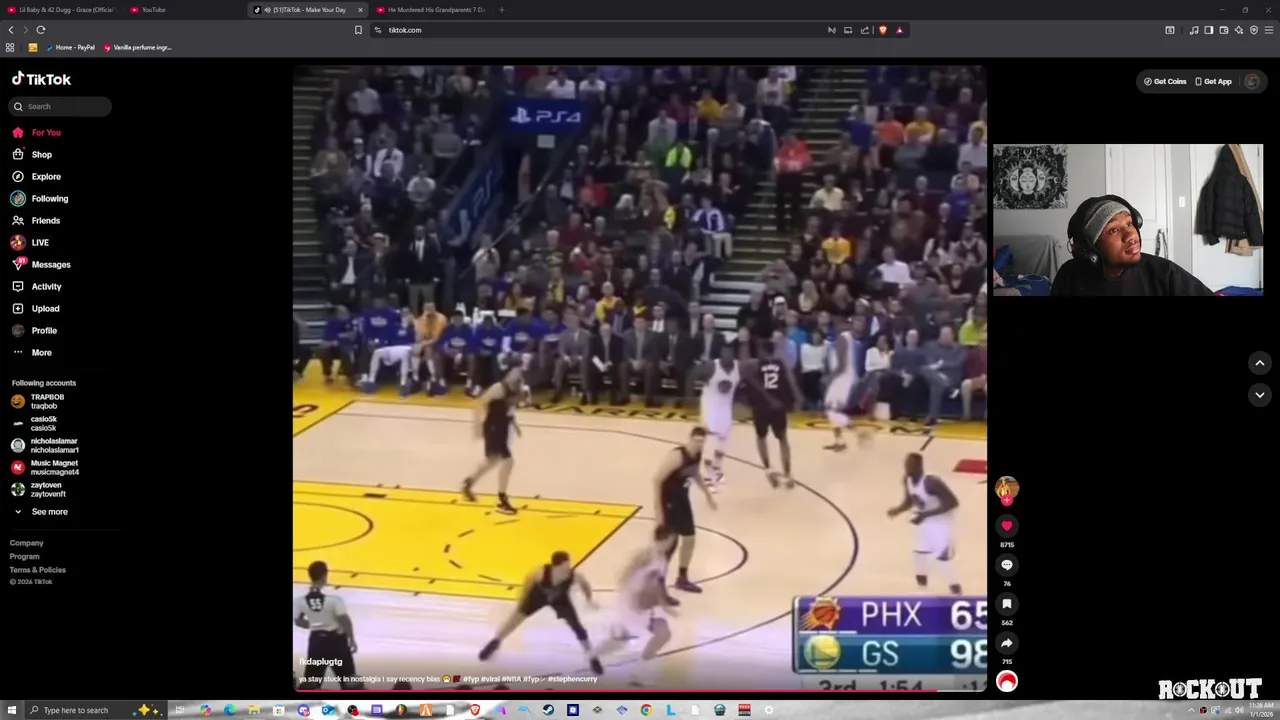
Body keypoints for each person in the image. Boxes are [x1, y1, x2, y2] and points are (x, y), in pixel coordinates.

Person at [1052, 196, 1215, 296]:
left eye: (1130, 224)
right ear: (1091, 247)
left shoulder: (1163, 272)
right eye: (1113, 230)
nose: (1131, 236)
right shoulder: (1069, 276)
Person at [477, 551, 606, 675]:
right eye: (567, 562)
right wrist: (523, 598)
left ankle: (592, 657)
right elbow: (528, 581)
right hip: (538, 596)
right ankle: (494, 642)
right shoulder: (540, 572)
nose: (569, 565)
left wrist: (589, 600)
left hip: (560, 599)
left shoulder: (573, 575)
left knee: (577, 626)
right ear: (561, 564)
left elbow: (585, 585)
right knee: (515, 620)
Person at [594, 526, 681, 686]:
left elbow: (657, 585)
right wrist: (632, 597)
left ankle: (633, 671)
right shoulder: (646, 555)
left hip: (644, 604)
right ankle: (597, 657)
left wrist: (663, 604)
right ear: (665, 539)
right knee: (633, 638)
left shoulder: (661, 558)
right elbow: (624, 575)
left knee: (661, 634)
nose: (673, 544)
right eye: (672, 540)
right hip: (632, 604)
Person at [887, 452, 962, 596]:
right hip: (926, 521)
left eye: (910, 465)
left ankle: (957, 593)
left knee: (943, 560)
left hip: (944, 522)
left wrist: (925, 514)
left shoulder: (932, 482)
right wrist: (897, 510)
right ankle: (922, 591)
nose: (906, 467)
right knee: (919, 555)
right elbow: (909, 501)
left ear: (919, 466)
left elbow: (952, 503)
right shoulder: (907, 480)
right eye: (906, 464)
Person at [653, 427, 716, 598]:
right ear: (690, 438)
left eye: (702, 441)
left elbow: (694, 473)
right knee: (668, 546)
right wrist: (659, 512)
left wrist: (708, 495)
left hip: (682, 500)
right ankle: (658, 584)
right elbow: (657, 480)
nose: (698, 444)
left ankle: (682, 578)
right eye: (696, 440)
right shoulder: (677, 456)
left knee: (689, 539)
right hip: (669, 502)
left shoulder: (697, 454)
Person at [460, 364, 524, 515]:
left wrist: (515, 426)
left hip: (501, 426)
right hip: (493, 427)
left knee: (492, 460)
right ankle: (502, 500)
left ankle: (469, 483)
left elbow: (509, 410)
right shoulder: (498, 388)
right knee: (508, 461)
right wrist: (477, 427)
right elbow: (480, 404)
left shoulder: (516, 389)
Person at [293, 560, 362, 689]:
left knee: (311, 683)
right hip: (337, 642)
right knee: (349, 682)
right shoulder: (334, 599)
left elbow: (298, 621)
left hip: (317, 642)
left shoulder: (299, 601)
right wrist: (352, 639)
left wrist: (314, 624)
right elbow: (345, 620)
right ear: (325, 575)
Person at [749, 339, 800, 487]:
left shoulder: (756, 365)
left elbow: (752, 384)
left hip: (762, 406)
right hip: (778, 405)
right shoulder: (781, 364)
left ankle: (768, 468)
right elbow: (791, 382)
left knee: (761, 437)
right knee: (783, 439)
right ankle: (787, 474)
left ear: (762, 351)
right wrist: (794, 400)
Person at [822, 320, 860, 451]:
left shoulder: (842, 338)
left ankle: (857, 431)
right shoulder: (847, 338)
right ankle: (839, 441)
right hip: (843, 377)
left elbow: (842, 366)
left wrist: (829, 378)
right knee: (833, 409)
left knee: (831, 409)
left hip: (842, 378)